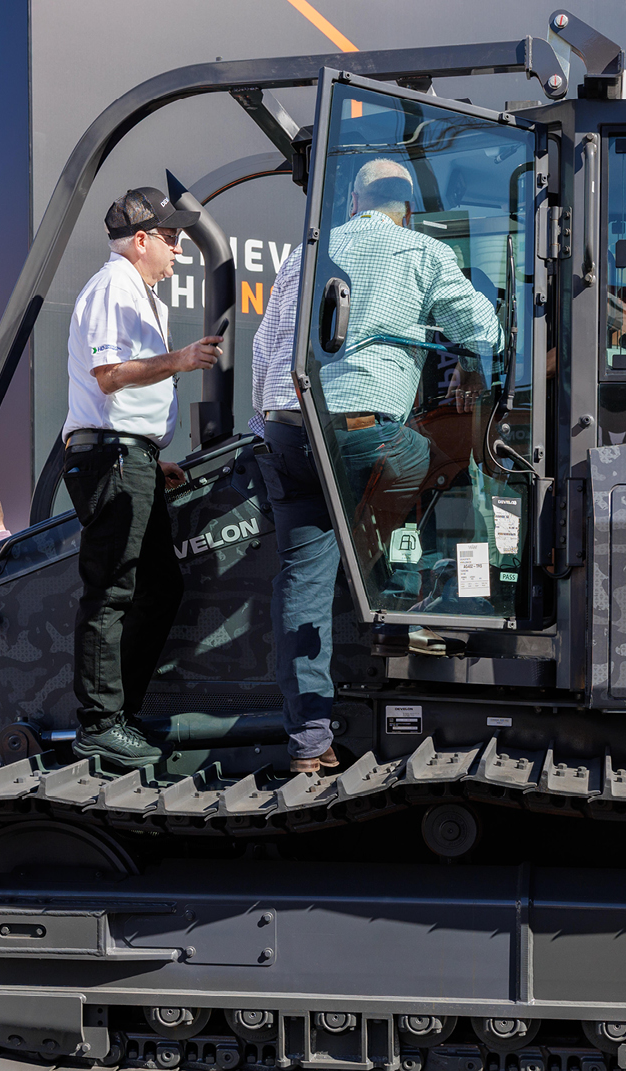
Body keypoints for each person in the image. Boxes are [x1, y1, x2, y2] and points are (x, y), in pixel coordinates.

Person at [60, 186, 221, 771]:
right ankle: (101, 724)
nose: (179, 250)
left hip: (129, 456)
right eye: (172, 238)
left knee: (158, 587)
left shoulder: (136, 291)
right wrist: (178, 360)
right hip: (112, 457)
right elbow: (108, 375)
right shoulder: (114, 287)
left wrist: (152, 457)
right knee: (113, 590)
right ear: (142, 240)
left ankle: (116, 715)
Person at [316, 157, 501, 608]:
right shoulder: (426, 255)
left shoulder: (313, 251)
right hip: (381, 433)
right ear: (410, 210)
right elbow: (486, 334)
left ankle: (407, 590)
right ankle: (428, 601)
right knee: (442, 472)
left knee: (310, 563)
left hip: (308, 426)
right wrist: (475, 356)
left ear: (353, 203)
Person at [248, 247, 343, 773]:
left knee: (303, 579)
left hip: (285, 425)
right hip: (352, 431)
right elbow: (480, 330)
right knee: (433, 461)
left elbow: (264, 351)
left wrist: (265, 437)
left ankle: (310, 735)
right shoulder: (415, 250)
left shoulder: (298, 255)